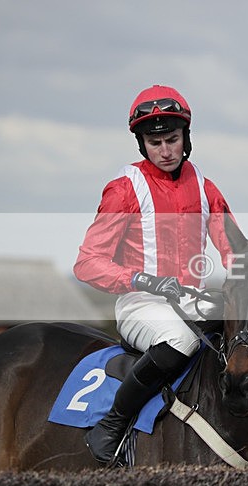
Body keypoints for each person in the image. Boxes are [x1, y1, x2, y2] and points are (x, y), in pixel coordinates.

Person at [74, 84, 235, 465]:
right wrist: (141, 279)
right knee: (181, 338)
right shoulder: (124, 189)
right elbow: (87, 262)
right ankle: (113, 423)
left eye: (172, 140)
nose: (165, 151)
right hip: (141, 304)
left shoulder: (206, 189)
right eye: (154, 142)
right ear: (142, 144)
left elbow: (233, 249)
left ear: (186, 138)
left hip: (191, 301)